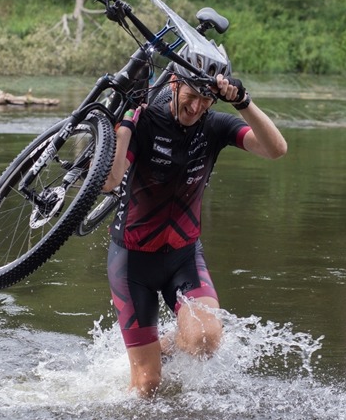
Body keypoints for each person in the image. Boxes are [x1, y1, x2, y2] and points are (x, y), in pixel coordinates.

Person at [101, 42, 287, 398]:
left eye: (206, 99)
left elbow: (276, 150)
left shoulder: (214, 126)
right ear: (174, 83)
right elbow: (109, 182)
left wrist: (243, 102)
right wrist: (125, 119)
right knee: (147, 386)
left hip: (183, 257)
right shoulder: (145, 121)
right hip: (131, 263)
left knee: (205, 339)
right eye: (191, 95)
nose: (197, 106)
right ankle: (148, 358)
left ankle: (166, 344)